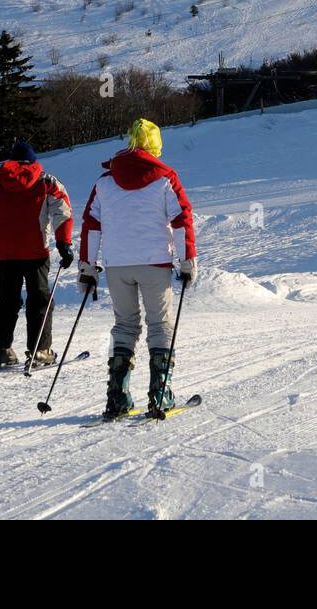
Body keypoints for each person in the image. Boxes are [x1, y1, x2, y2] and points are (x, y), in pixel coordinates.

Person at [79, 119, 197, 418]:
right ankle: (160, 395)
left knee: (125, 326)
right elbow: (182, 218)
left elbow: (92, 224)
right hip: (154, 263)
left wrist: (88, 267)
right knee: (160, 325)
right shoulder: (165, 177)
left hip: (117, 265)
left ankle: (117, 398)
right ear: (155, 147)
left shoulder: (104, 182)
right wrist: (187, 260)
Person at [0, 139, 74, 370]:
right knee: (39, 300)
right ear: (33, 160)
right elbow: (63, 212)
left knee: (7, 301)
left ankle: (0, 351)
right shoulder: (47, 181)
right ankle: (39, 350)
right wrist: (63, 243)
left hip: (5, 253)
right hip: (36, 251)